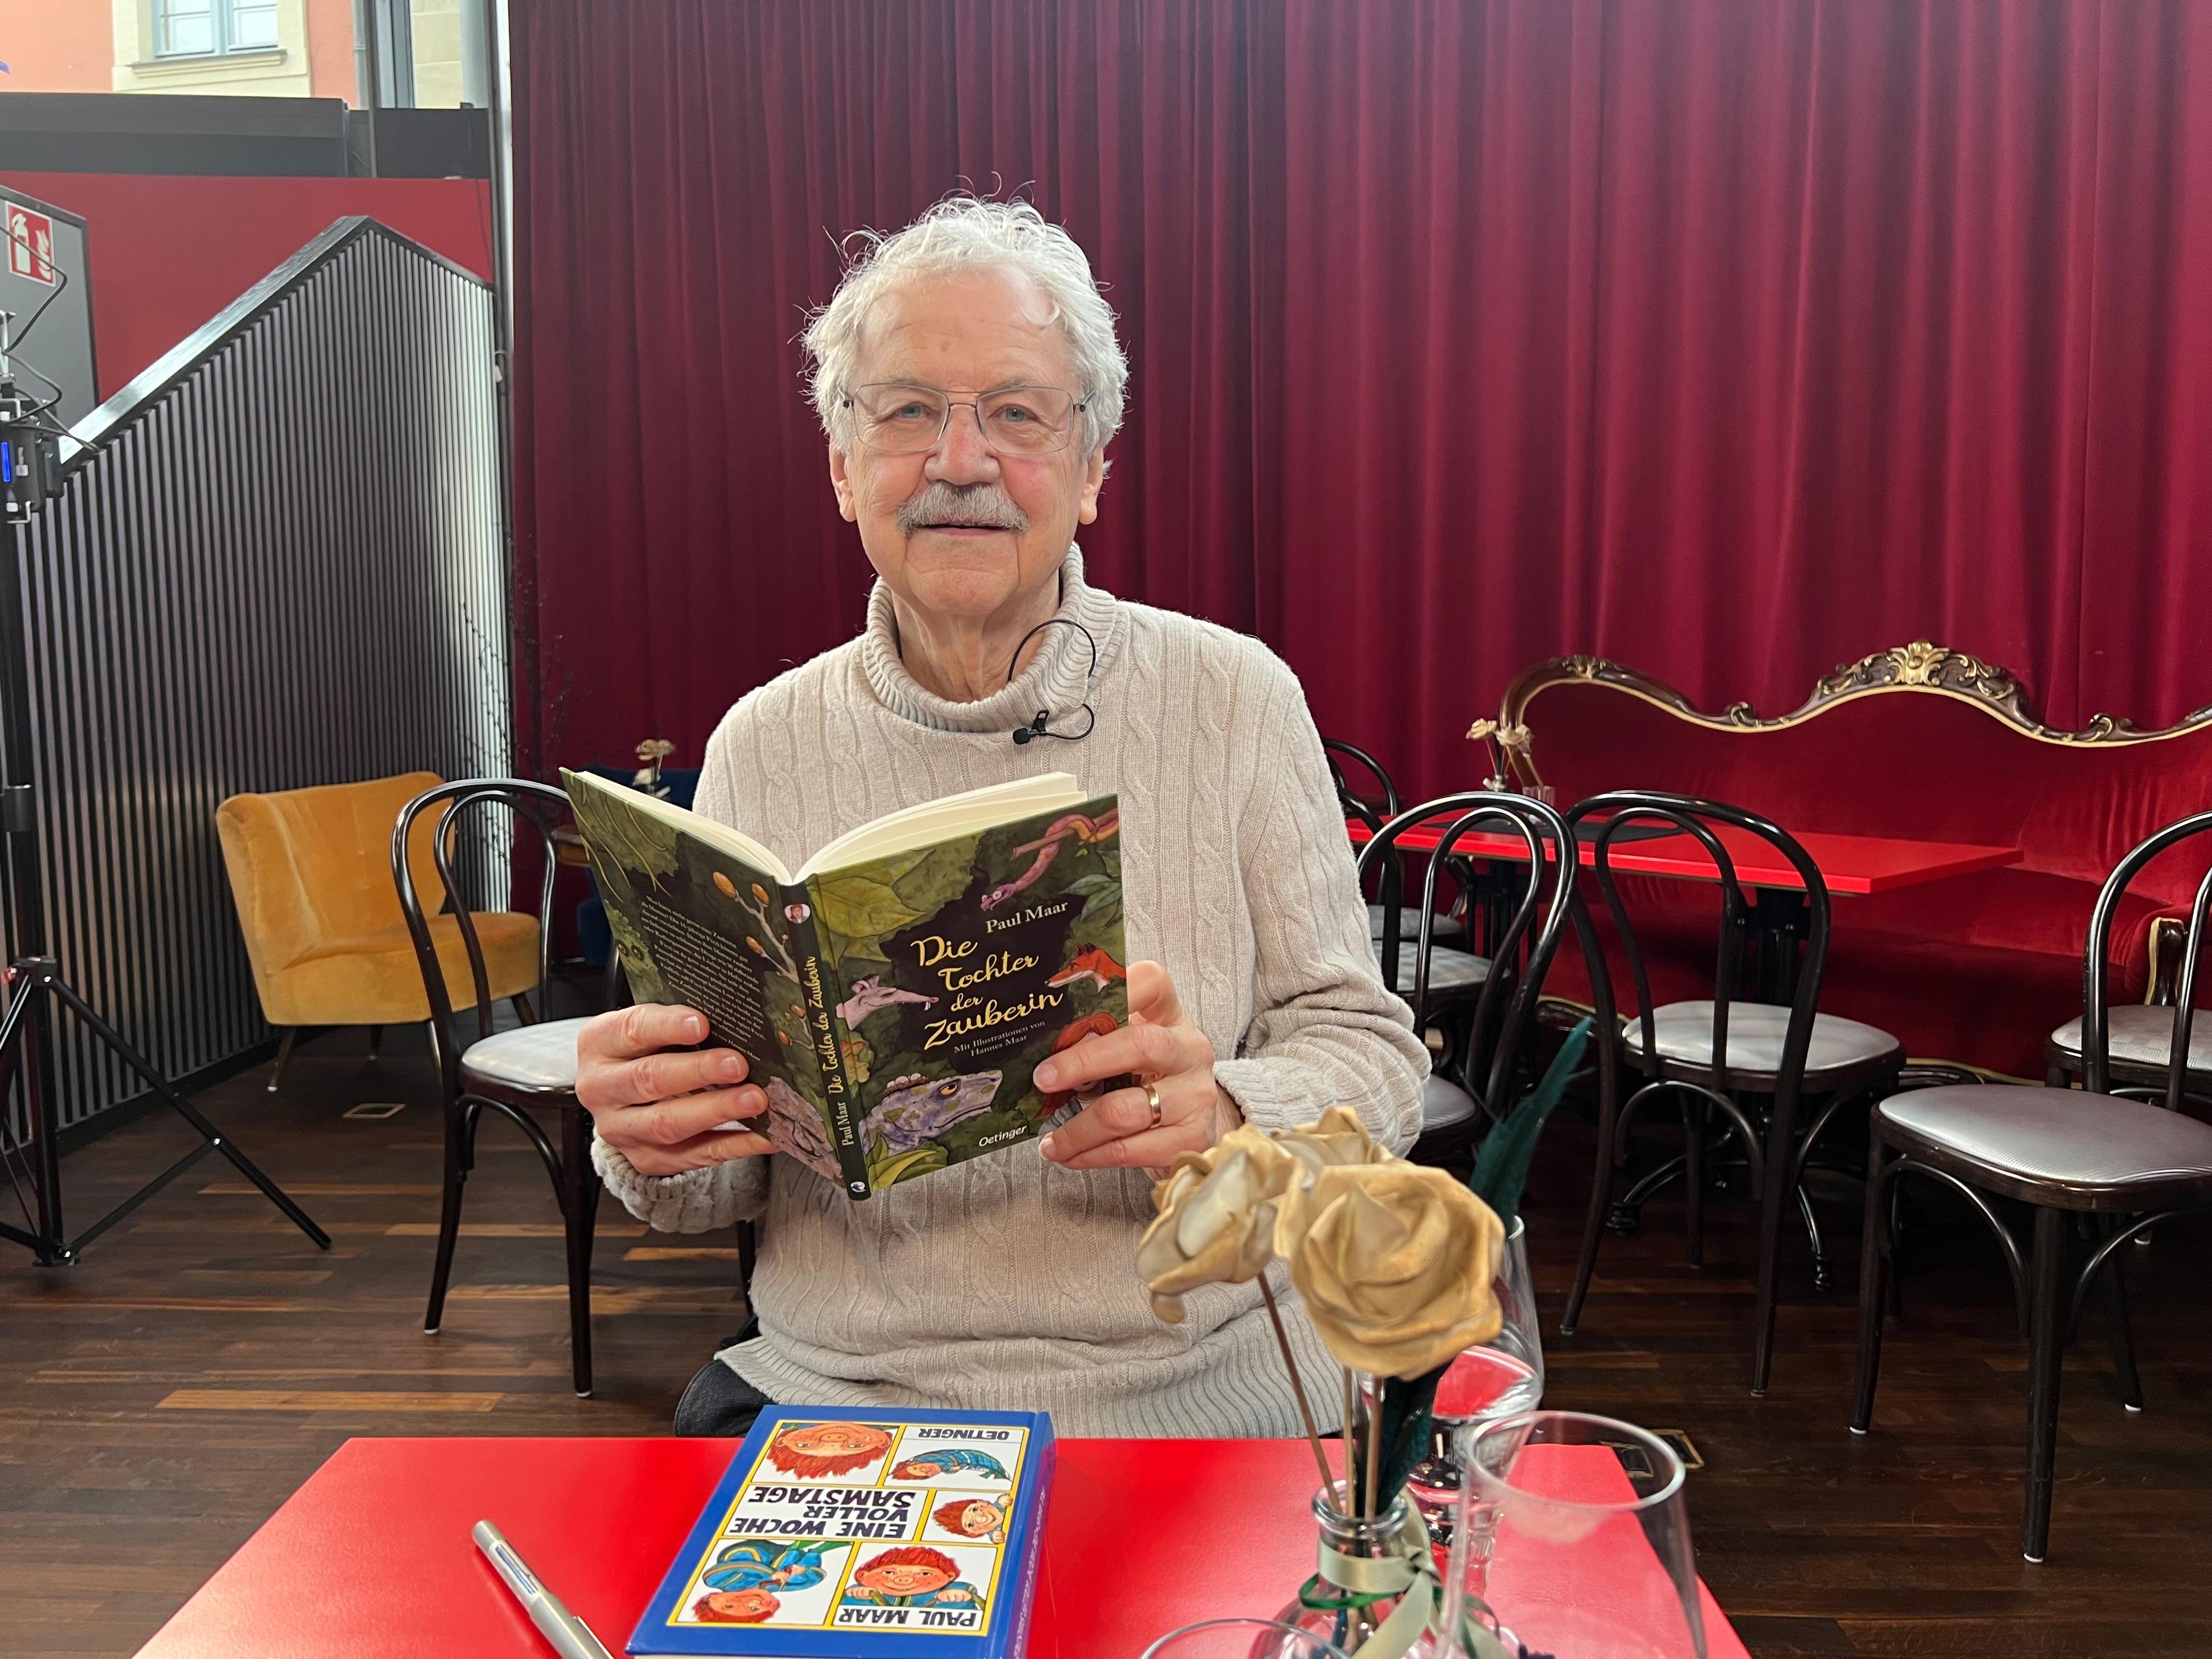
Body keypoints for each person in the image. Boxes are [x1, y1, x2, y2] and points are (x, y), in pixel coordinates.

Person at [575, 195, 1427, 1438]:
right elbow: (719, 1195)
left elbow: (1374, 1060)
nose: (959, 461)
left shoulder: (1234, 697)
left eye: (1016, 414)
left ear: (1090, 472)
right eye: (908, 410)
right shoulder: (762, 738)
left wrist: (1233, 1111)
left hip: (1213, 1388)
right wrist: (656, 1143)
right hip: (842, 1398)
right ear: (842, 466)